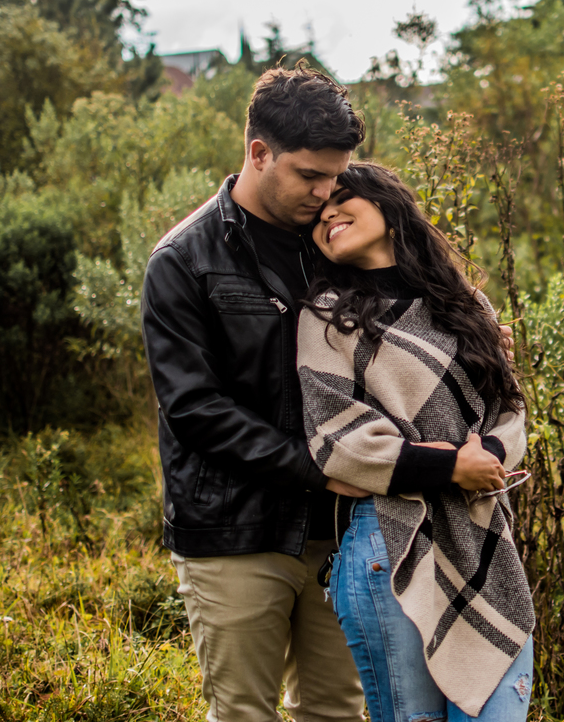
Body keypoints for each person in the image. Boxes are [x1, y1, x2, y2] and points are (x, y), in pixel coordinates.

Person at [141, 65, 369, 722]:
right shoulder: (182, 261)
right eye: (310, 175)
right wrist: (319, 469)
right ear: (259, 152)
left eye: (336, 177)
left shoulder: (339, 244)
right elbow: (195, 409)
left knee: (338, 713)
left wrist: (472, 336)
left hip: (341, 531)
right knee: (245, 714)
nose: (325, 193)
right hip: (233, 530)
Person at [297, 162, 535, 722]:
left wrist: (488, 457)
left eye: (343, 197)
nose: (328, 213)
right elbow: (336, 438)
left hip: (483, 538)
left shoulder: (466, 304)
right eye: (318, 213)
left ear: (387, 205)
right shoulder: (328, 317)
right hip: (389, 539)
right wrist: (451, 468)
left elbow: (510, 410)